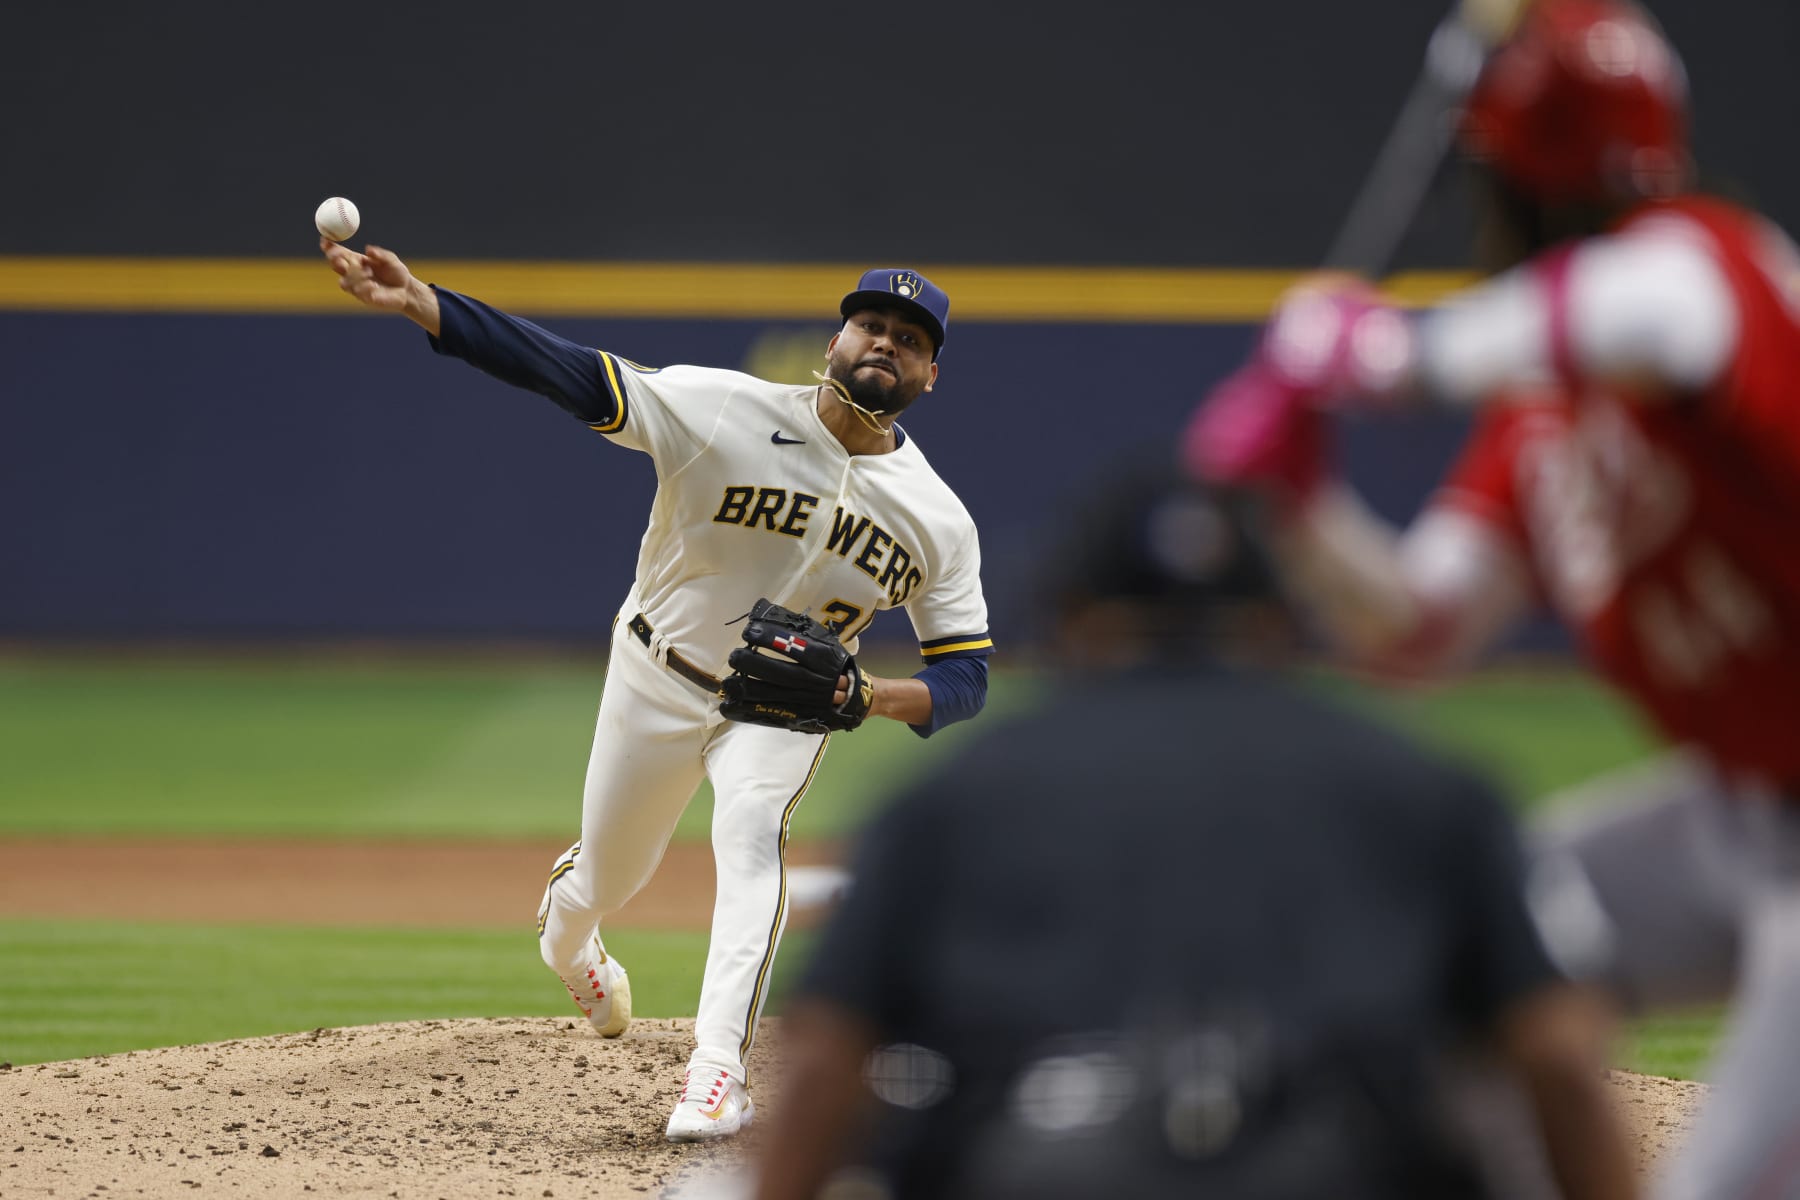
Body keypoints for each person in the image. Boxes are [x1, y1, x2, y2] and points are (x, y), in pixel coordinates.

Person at [1182, 1, 1800, 1193]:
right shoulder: (1549, 407)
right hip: (1738, 813)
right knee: (1447, 947)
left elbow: (1647, 307)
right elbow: (1419, 628)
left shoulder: (1708, 266)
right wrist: (1301, 504)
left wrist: (1381, 356)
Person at [750, 457, 1636, 1200]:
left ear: (1074, 617)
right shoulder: (1431, 783)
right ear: (1280, 623)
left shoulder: (953, 793)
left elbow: (827, 1060)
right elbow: (1557, 1054)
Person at [320, 241, 995, 1142]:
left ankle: (716, 1075)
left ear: (931, 374)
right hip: (656, 673)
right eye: (870, 324)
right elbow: (564, 372)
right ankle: (570, 936)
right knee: (610, 874)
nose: (884, 342)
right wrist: (422, 304)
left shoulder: (938, 518)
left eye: (908, 338)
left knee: (752, 834)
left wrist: (865, 695)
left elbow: (965, 676)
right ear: (833, 340)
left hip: (784, 707)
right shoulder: (724, 407)